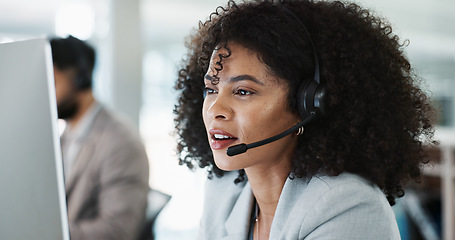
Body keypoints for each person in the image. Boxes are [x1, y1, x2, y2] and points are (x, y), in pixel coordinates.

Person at [174, 0, 437, 239]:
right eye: (211, 90)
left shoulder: (346, 206)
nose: (215, 109)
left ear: (308, 104)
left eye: (243, 91)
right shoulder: (222, 191)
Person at [50, 35, 150, 240]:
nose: (47, 93)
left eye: (53, 82)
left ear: (80, 78)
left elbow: (118, 231)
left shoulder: (120, 142)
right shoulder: (66, 136)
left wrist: (46, 232)